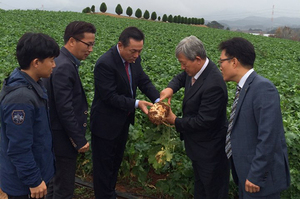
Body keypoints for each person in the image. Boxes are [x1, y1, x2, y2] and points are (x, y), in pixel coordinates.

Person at [90, 26, 160, 199]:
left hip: (122, 122)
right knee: (103, 168)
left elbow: (143, 80)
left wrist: (159, 101)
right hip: (105, 125)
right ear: (120, 45)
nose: (136, 55)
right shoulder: (105, 63)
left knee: (114, 164)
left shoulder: (134, 59)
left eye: (139, 51)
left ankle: (110, 193)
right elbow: (110, 97)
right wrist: (137, 103)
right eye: (133, 51)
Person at [218, 37, 290, 199]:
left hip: (259, 181)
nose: (220, 66)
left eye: (221, 61)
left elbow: (269, 136)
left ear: (234, 62)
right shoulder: (245, 88)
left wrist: (256, 175)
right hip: (246, 175)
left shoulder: (263, 88)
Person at [160, 35, 229, 199]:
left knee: (212, 191)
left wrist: (175, 121)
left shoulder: (214, 84)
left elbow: (204, 121)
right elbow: (181, 77)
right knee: (201, 188)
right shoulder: (196, 70)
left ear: (197, 59)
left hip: (211, 151)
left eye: (184, 63)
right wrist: (170, 89)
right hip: (198, 148)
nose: (183, 67)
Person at [0, 32, 59, 199]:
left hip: (33, 174)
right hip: (24, 185)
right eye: (51, 60)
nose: (54, 65)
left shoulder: (33, 85)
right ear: (36, 62)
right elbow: (19, 147)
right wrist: (33, 180)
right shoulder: (21, 98)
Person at [43, 21, 96, 199]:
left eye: (93, 45)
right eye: (88, 44)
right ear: (72, 41)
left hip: (55, 135)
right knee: (64, 188)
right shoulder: (65, 66)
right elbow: (64, 108)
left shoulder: (60, 61)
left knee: (53, 183)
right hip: (62, 139)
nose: (90, 49)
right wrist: (79, 139)